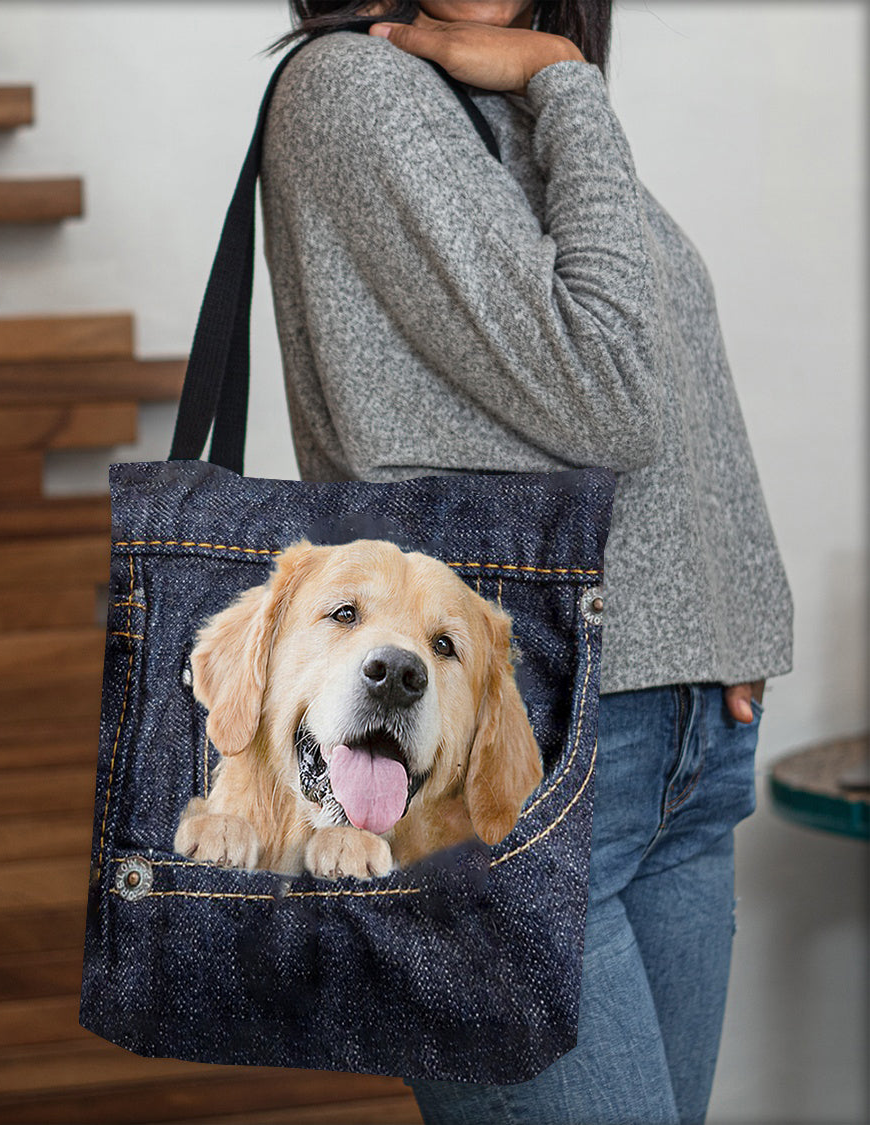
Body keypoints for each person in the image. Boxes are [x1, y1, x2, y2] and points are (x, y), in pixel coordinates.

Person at [258, 2, 794, 1122]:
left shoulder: (504, 97)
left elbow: (673, 368)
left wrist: (722, 630)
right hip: (518, 764)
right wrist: (568, 78)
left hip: (676, 750)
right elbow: (611, 392)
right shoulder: (359, 90)